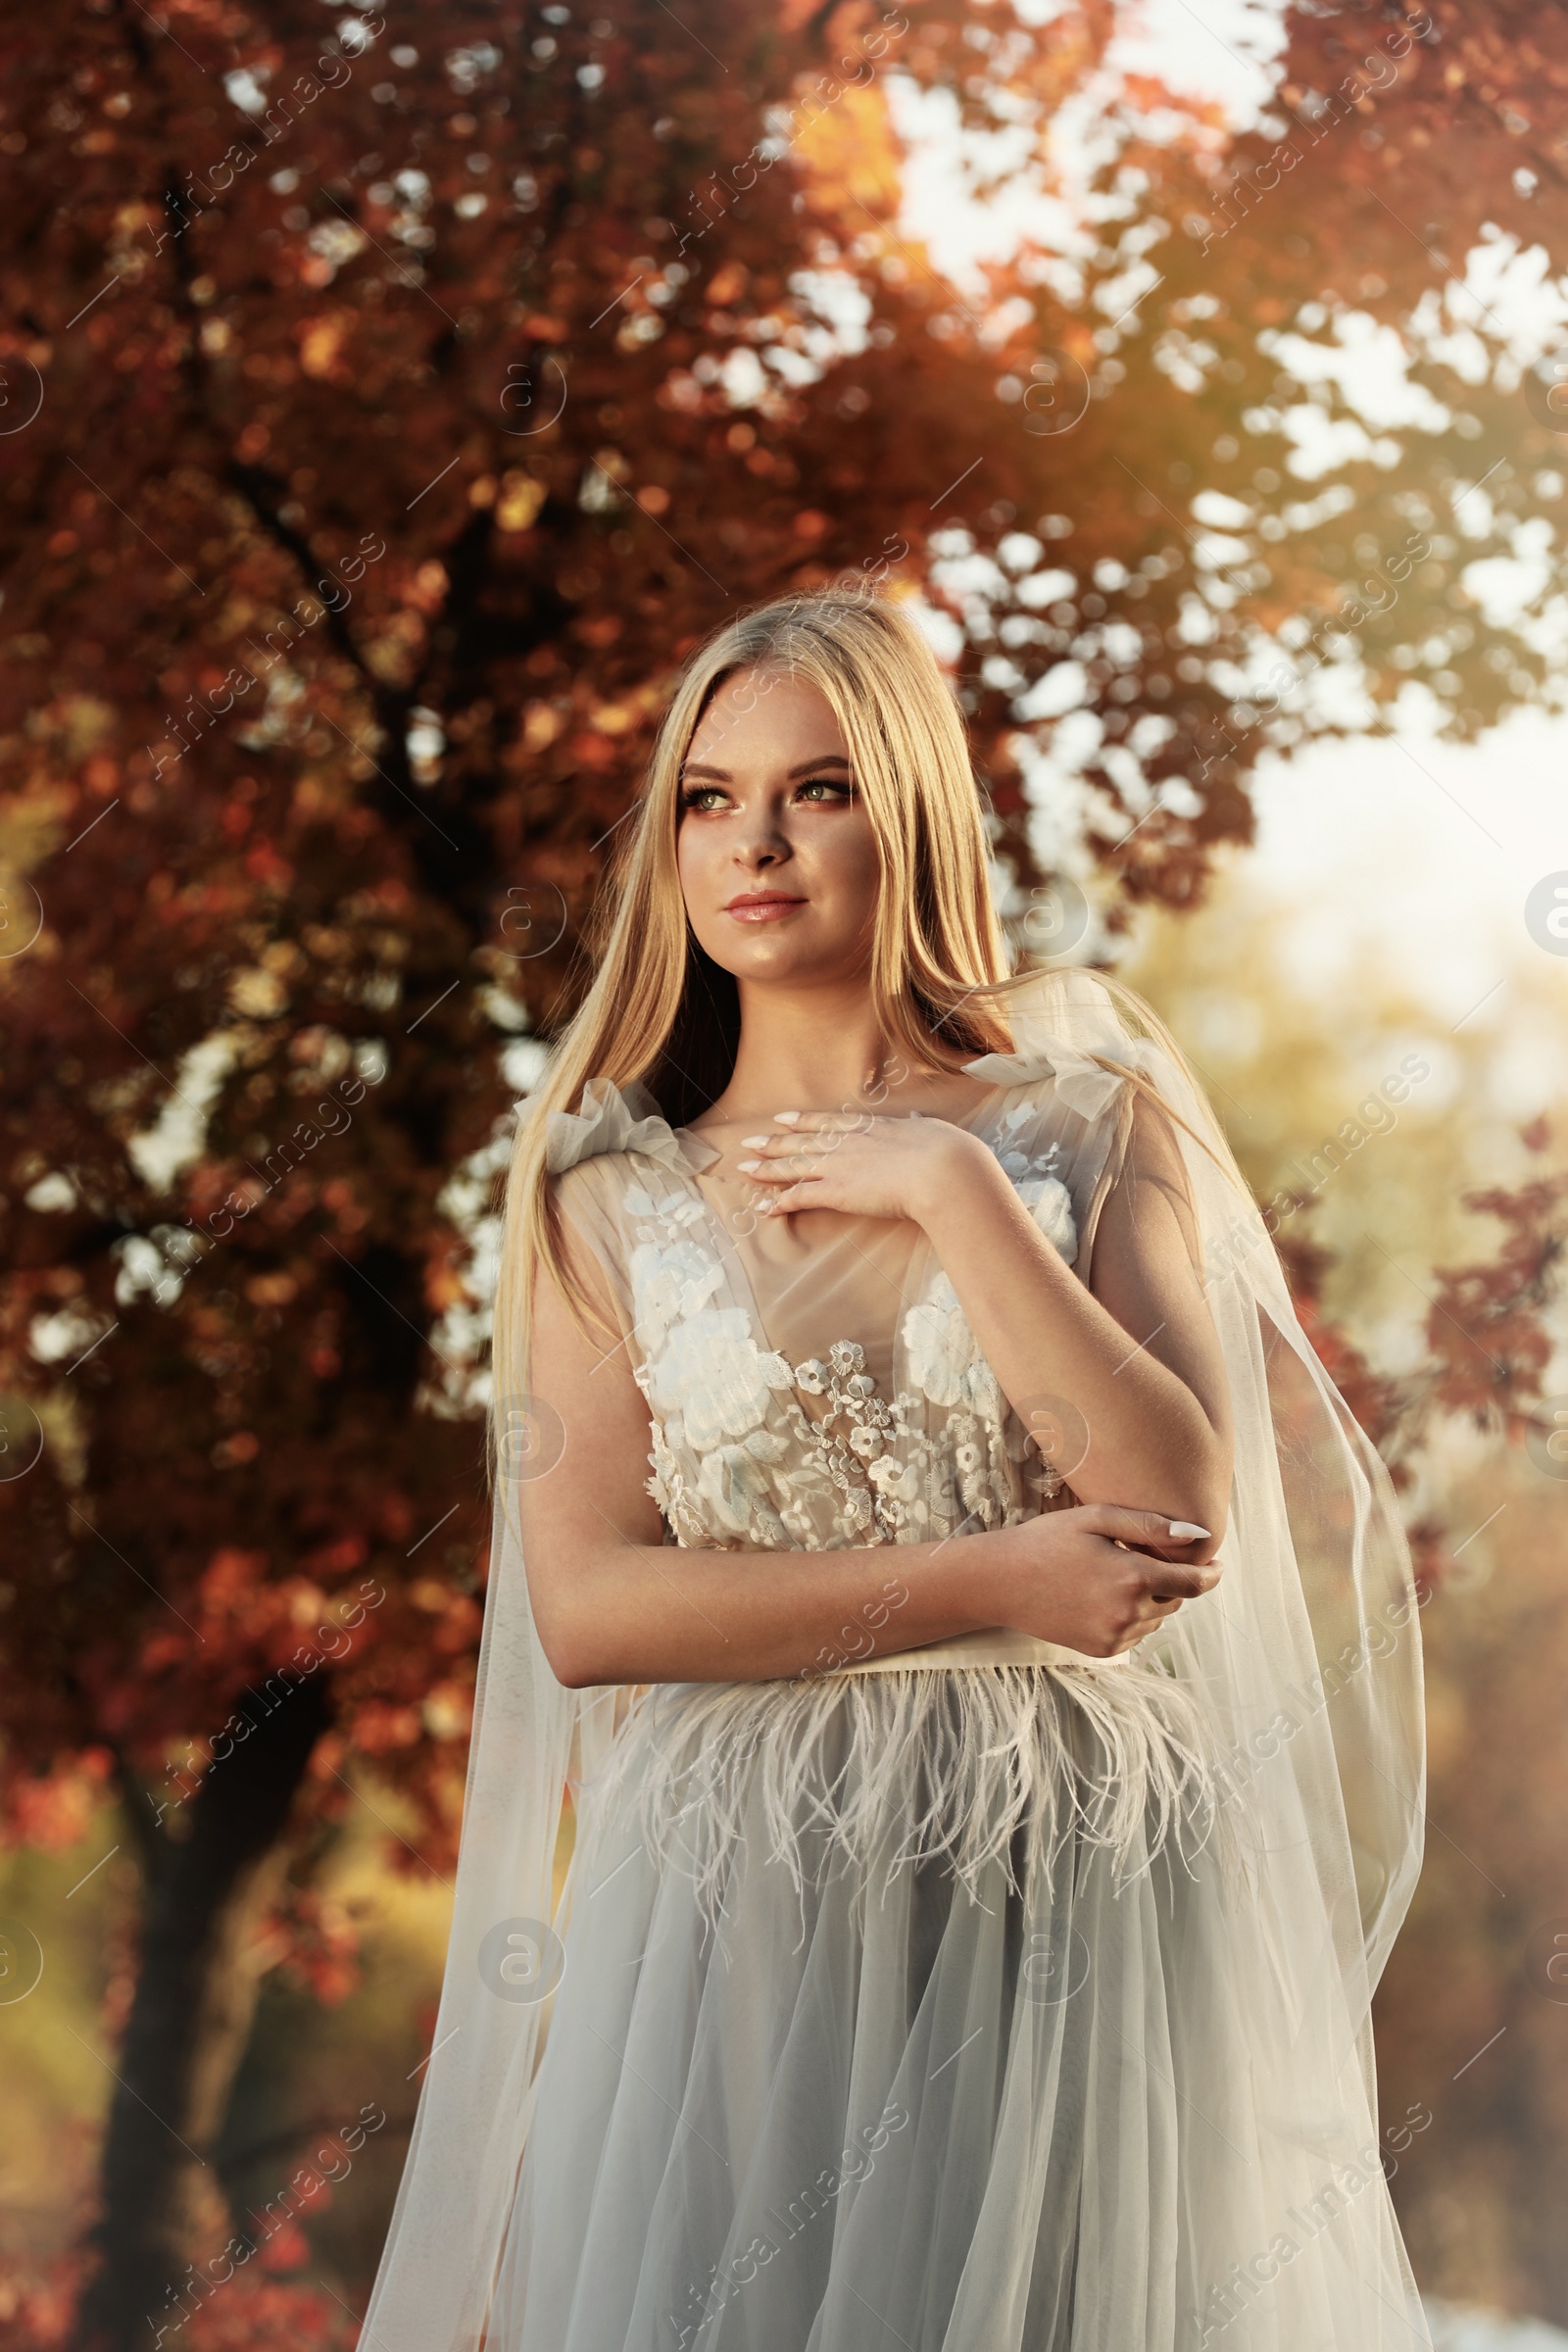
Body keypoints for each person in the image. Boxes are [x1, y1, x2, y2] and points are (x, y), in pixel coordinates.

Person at [362, 590, 1432, 2351]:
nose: (754, 844)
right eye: (707, 798)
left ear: (910, 812)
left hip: (1071, 1863)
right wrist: (999, 1581)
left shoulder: (1095, 1129)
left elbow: (1176, 1502)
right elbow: (595, 1605)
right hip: (741, 1891)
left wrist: (953, 1191)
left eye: (819, 790)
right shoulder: (601, 1205)